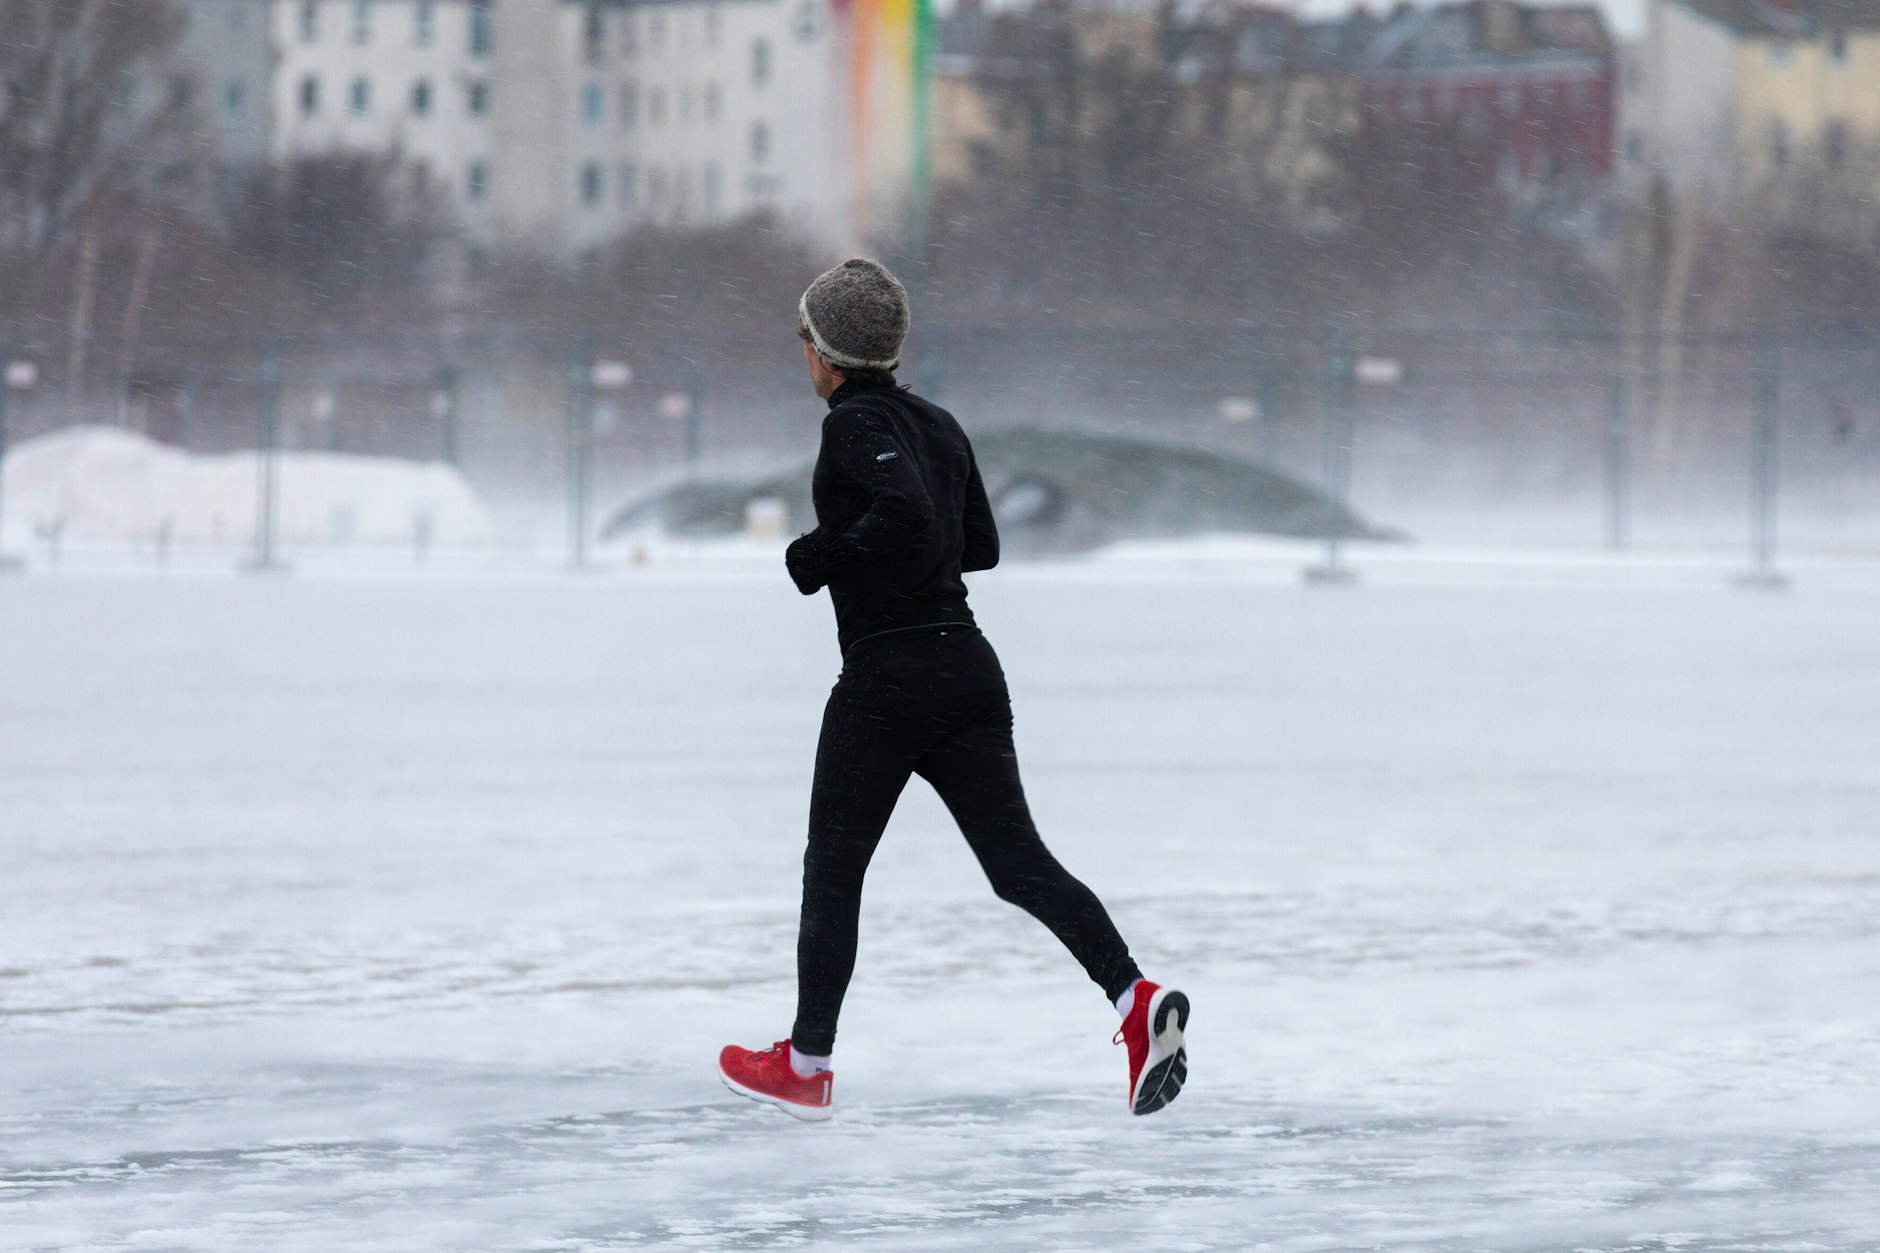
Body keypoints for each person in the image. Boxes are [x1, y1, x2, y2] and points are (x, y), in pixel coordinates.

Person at [717, 259, 1189, 1121]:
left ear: (829, 352)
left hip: (887, 680)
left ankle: (808, 1064)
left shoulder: (852, 423)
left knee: (834, 872)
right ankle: (1134, 999)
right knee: (1018, 866)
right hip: (965, 666)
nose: (801, 350)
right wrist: (900, 542)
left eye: (805, 336)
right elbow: (978, 546)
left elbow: (906, 516)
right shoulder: (939, 423)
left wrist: (814, 556)